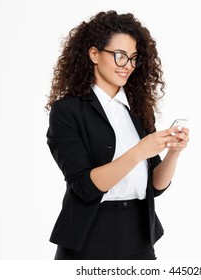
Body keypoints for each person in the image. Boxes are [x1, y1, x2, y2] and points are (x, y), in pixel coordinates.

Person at [45, 10, 189, 260]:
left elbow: (155, 187)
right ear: (94, 54)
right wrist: (138, 152)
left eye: (133, 58)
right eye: (120, 56)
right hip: (89, 234)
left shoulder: (139, 110)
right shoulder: (66, 111)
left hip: (139, 233)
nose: (128, 66)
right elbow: (85, 187)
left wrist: (173, 154)